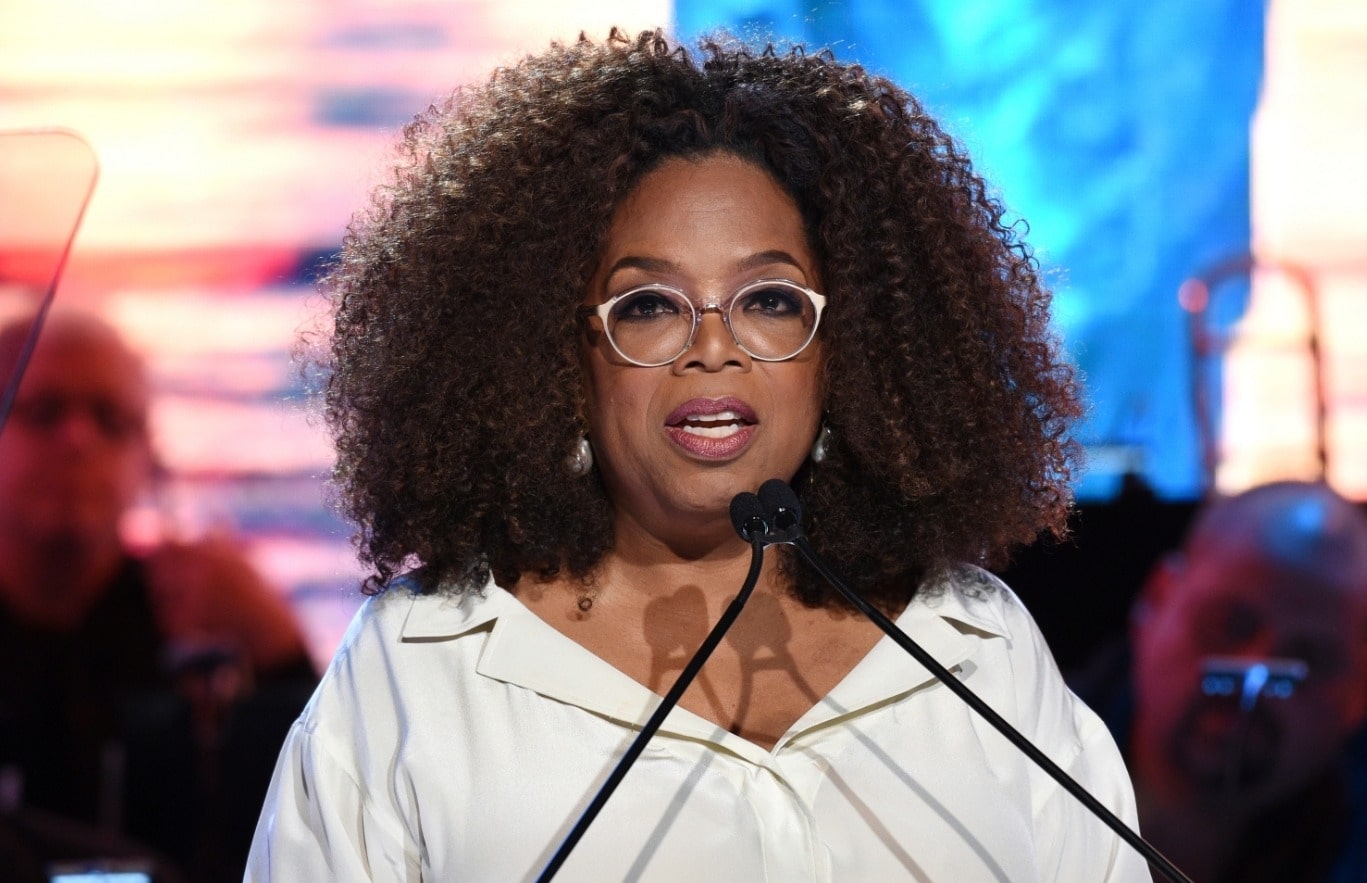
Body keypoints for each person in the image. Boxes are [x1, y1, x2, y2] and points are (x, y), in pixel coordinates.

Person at [248, 29, 1148, 881]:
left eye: (769, 300)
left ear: (848, 352)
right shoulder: (420, 669)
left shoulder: (975, 644)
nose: (713, 348)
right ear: (558, 361)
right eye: (647, 305)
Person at [0, 308, 317, 882]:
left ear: (148, 457)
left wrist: (283, 659)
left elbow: (308, 833)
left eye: (110, 419)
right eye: (44, 411)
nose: (77, 440)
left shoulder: (202, 633)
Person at [1072, 480, 1367, 882]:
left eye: (1308, 658)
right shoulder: (1017, 749)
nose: (1254, 674)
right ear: (1156, 599)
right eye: (1230, 626)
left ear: (1359, 694)